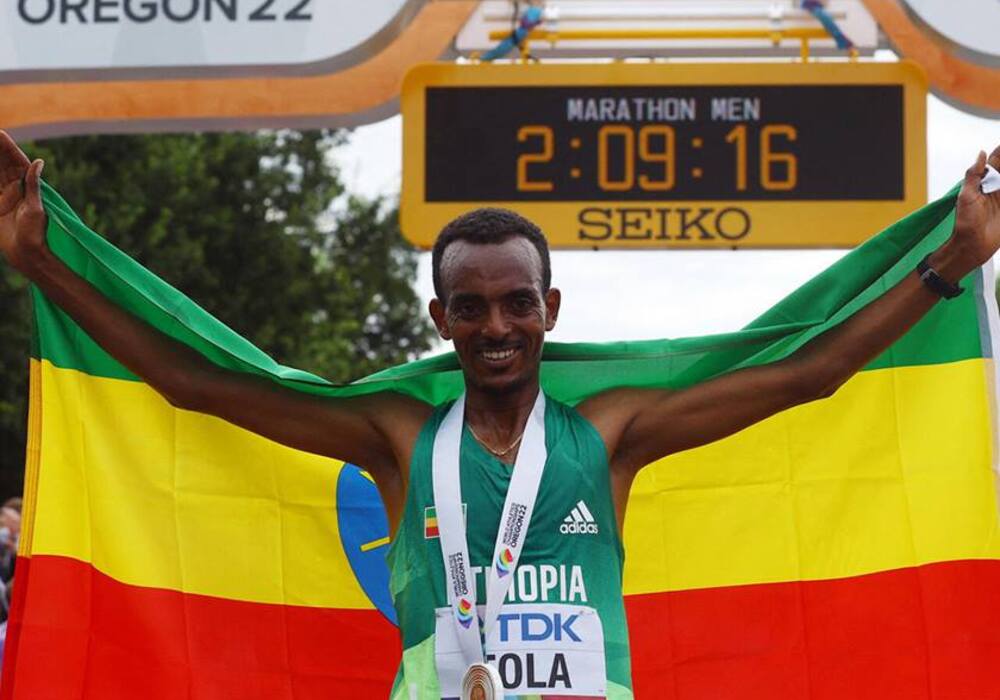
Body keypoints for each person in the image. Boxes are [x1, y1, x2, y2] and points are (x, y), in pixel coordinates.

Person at [0, 130, 998, 699]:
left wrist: (950, 264)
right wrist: (40, 262)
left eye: (517, 302)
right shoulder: (397, 437)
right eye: (470, 306)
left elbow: (808, 374)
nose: (496, 326)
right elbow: (201, 388)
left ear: (548, 310)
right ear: (441, 317)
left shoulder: (608, 431)